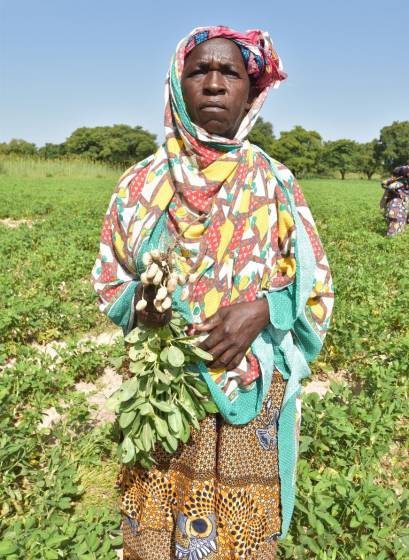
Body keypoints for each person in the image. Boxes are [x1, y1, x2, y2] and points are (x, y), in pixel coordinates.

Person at [92, 26, 334, 560]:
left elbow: (314, 287)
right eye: (201, 71)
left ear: (251, 91)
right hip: (165, 396)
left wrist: (262, 309)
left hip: (248, 395)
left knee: (242, 539)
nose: (216, 84)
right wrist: (142, 304)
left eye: (232, 73)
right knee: (156, 533)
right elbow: (110, 277)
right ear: (178, 86)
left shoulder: (275, 181)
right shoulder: (139, 184)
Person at [380, 164, 409, 236]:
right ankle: (391, 236)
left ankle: (395, 235)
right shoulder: (399, 182)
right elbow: (386, 185)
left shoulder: (403, 181)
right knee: (396, 219)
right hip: (397, 204)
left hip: (402, 204)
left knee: (401, 220)